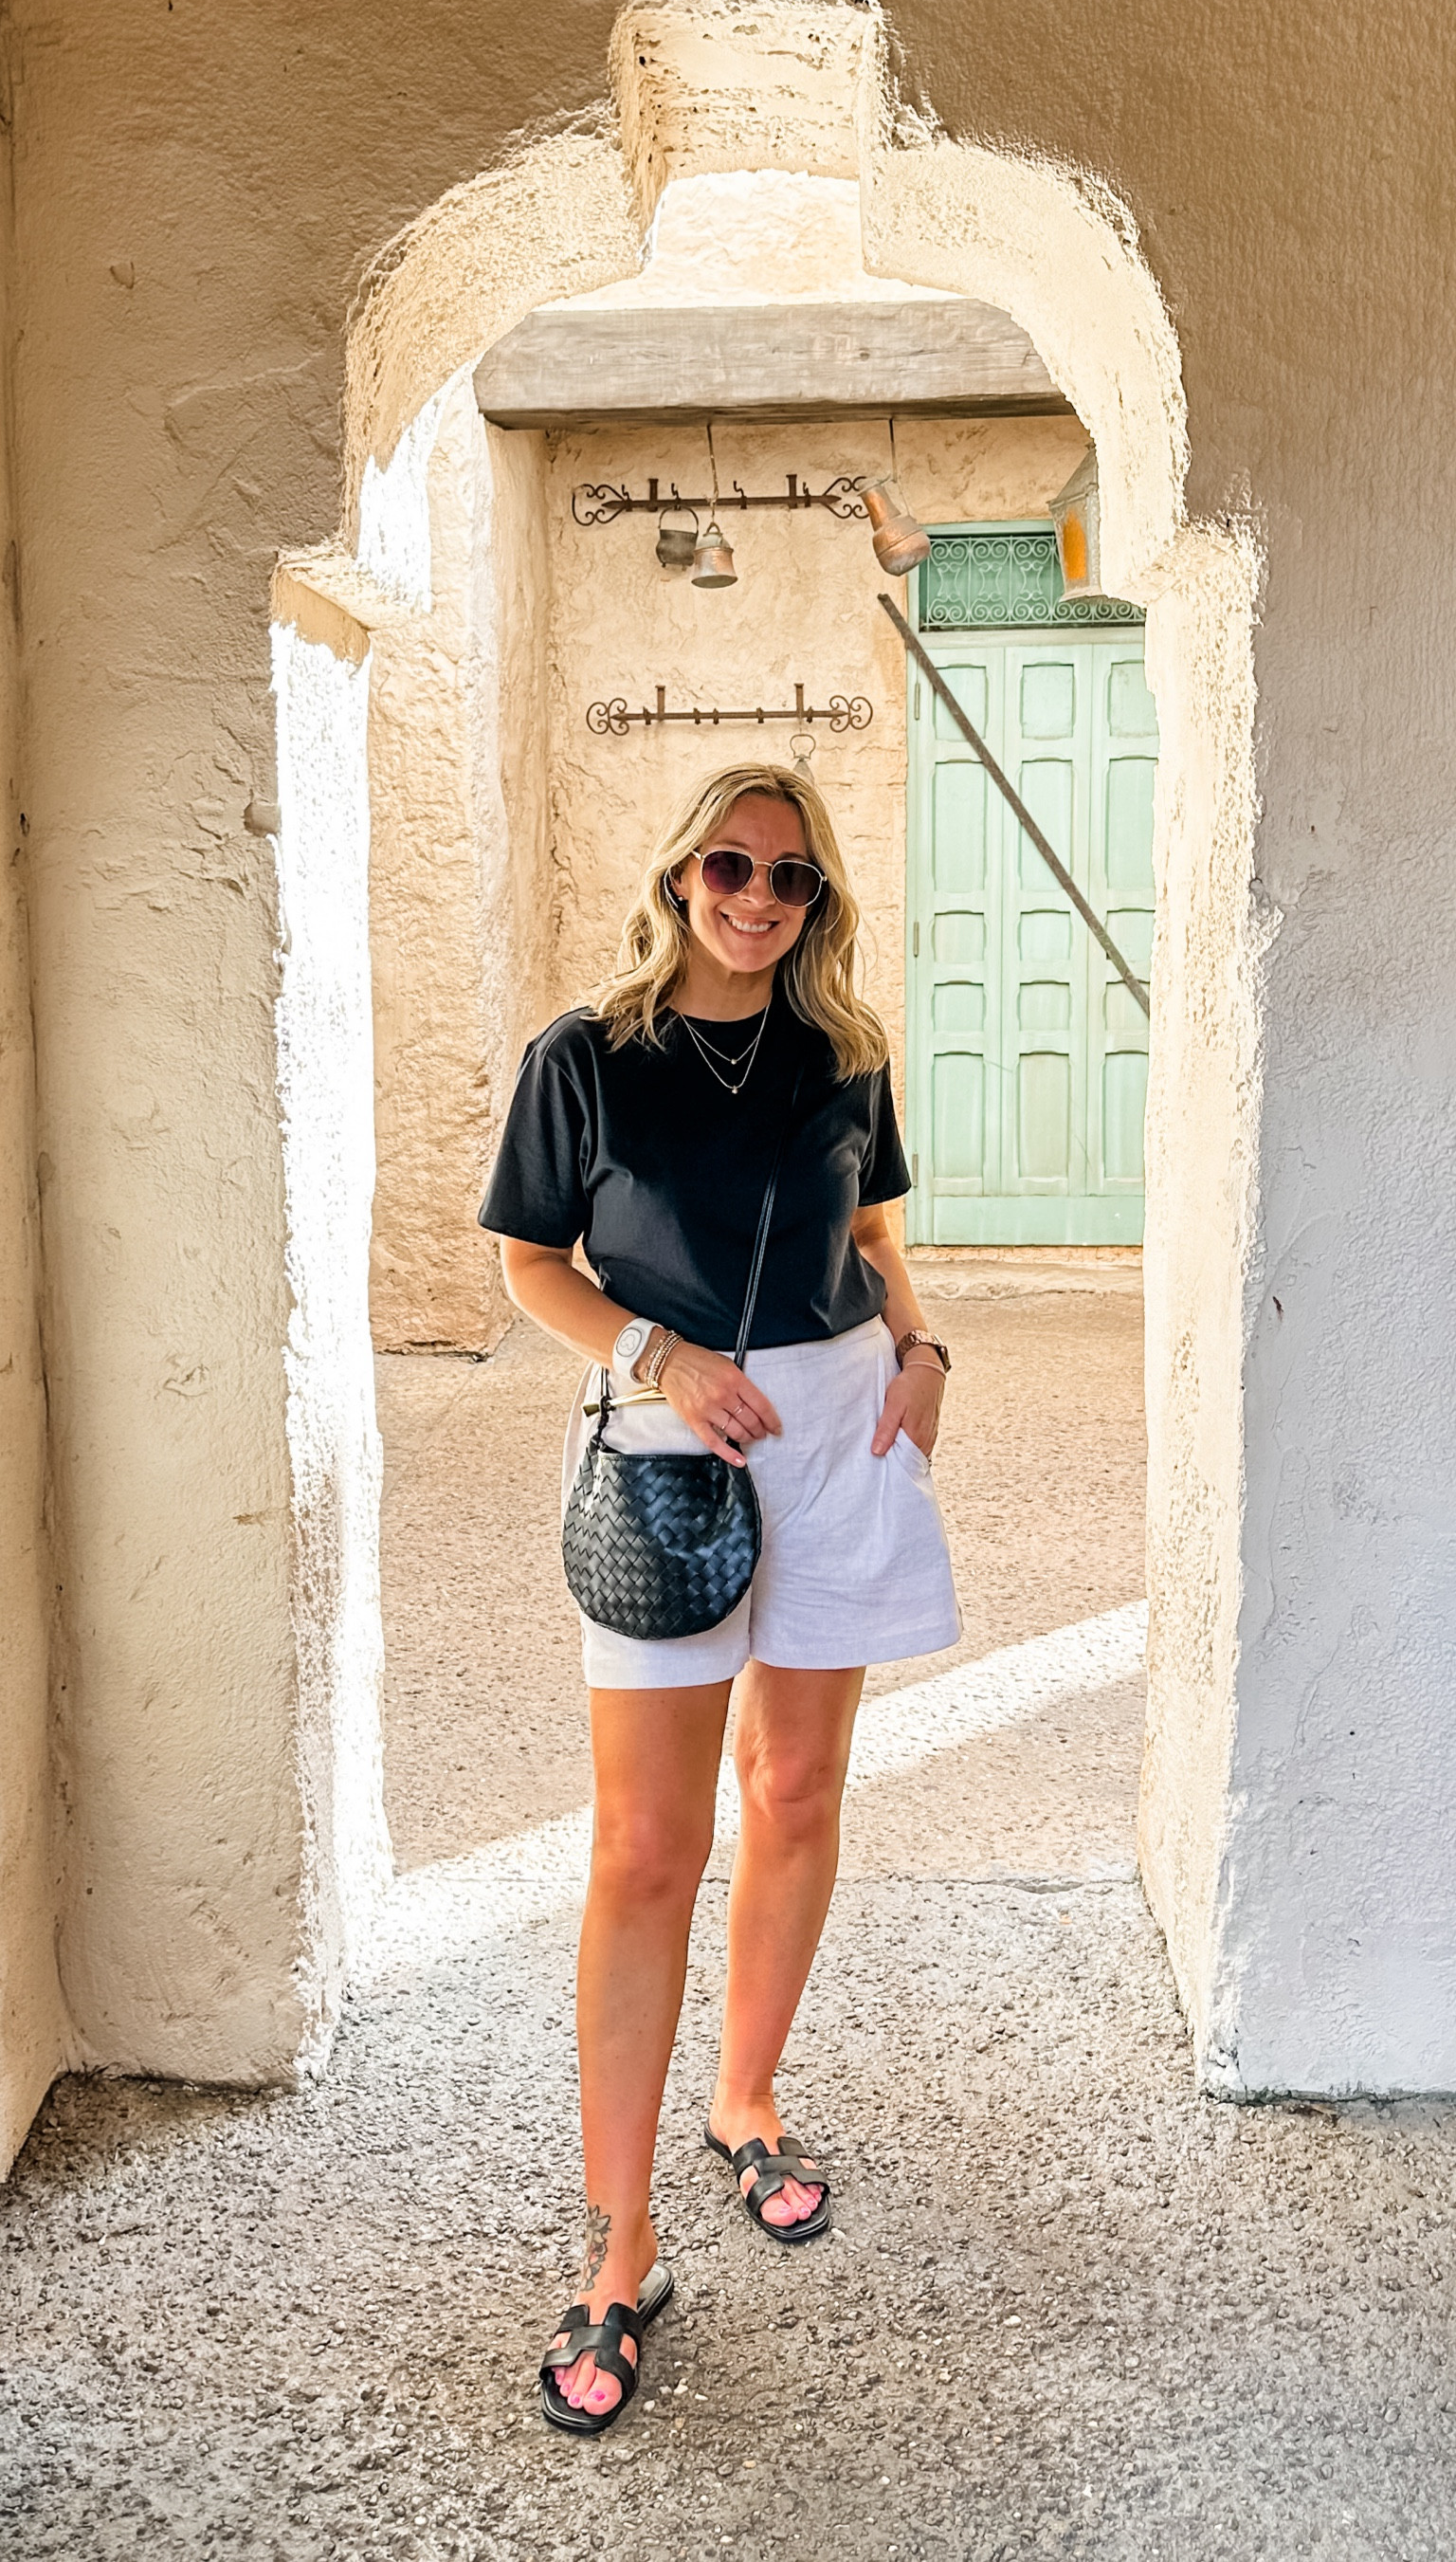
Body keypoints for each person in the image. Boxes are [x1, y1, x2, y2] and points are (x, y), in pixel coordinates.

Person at [479, 761, 959, 2436]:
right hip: (670, 1438)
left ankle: (746, 2099)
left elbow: (882, 1232)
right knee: (645, 1846)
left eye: (794, 881)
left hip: (834, 1430)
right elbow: (533, 1260)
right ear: (682, 872)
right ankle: (620, 2247)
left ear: (819, 905)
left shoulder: (845, 1056)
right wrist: (660, 1355)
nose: (760, 897)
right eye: (733, 865)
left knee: (802, 1787)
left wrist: (922, 1344)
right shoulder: (585, 1056)